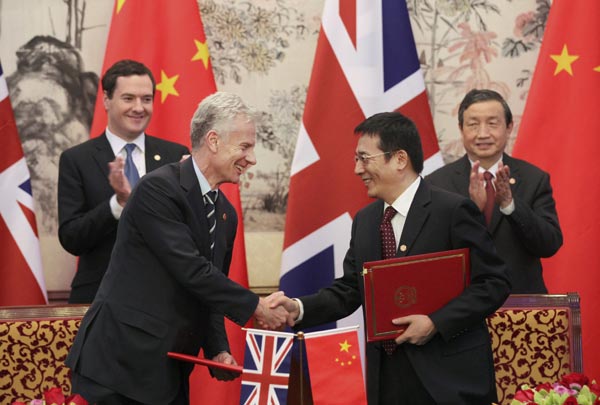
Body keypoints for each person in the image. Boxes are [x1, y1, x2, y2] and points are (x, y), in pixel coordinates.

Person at [270, 112, 511, 404]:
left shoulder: (452, 210)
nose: (357, 169)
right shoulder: (365, 221)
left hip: (448, 380)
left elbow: (493, 282)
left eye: (364, 158)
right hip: (387, 380)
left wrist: (436, 322)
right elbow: (350, 289)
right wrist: (298, 308)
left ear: (399, 159)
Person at [65, 92, 288, 405]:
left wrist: (218, 349)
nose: (251, 158)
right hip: (118, 367)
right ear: (213, 140)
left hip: (167, 370)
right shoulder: (158, 189)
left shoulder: (225, 212)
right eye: (245, 146)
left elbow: (209, 289)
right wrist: (257, 307)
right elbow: (191, 269)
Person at [58, 59, 190, 303]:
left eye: (146, 99)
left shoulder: (176, 157)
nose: (139, 108)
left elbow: (190, 232)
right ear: (107, 100)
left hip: (165, 302)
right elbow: (71, 238)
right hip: (101, 301)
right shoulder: (77, 160)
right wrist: (117, 204)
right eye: (128, 98)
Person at [426, 89, 562, 293]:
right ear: (461, 129)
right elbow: (431, 255)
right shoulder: (436, 183)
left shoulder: (534, 178)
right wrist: (471, 212)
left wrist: (510, 205)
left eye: (492, 123)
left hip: (521, 307)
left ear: (508, 127)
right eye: (473, 124)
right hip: (462, 307)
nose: (483, 133)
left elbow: (549, 244)